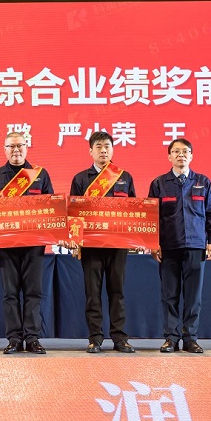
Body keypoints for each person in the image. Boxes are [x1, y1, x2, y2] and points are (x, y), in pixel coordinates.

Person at [0, 132, 54, 354]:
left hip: (34, 245)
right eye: (11, 146)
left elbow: (52, 207)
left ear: (26, 147)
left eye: (20, 145)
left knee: (33, 292)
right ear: (4, 149)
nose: (16, 150)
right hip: (7, 245)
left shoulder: (40, 175)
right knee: (10, 294)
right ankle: (14, 339)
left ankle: (32, 338)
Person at [148, 138, 211, 354]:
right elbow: (151, 217)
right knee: (169, 295)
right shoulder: (159, 183)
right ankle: (171, 338)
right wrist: (153, 243)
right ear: (169, 156)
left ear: (191, 156)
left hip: (196, 246)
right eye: (176, 151)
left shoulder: (203, 182)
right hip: (168, 246)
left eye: (185, 151)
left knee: (193, 297)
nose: (181, 155)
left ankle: (190, 338)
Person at [68, 131, 136, 354]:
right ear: (91, 151)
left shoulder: (124, 177)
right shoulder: (80, 179)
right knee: (93, 293)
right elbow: (73, 213)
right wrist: (76, 241)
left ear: (112, 149)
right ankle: (95, 338)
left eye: (107, 146)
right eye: (98, 146)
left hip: (118, 246)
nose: (103, 150)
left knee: (118, 292)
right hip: (91, 246)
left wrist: (136, 238)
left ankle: (120, 338)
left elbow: (134, 210)